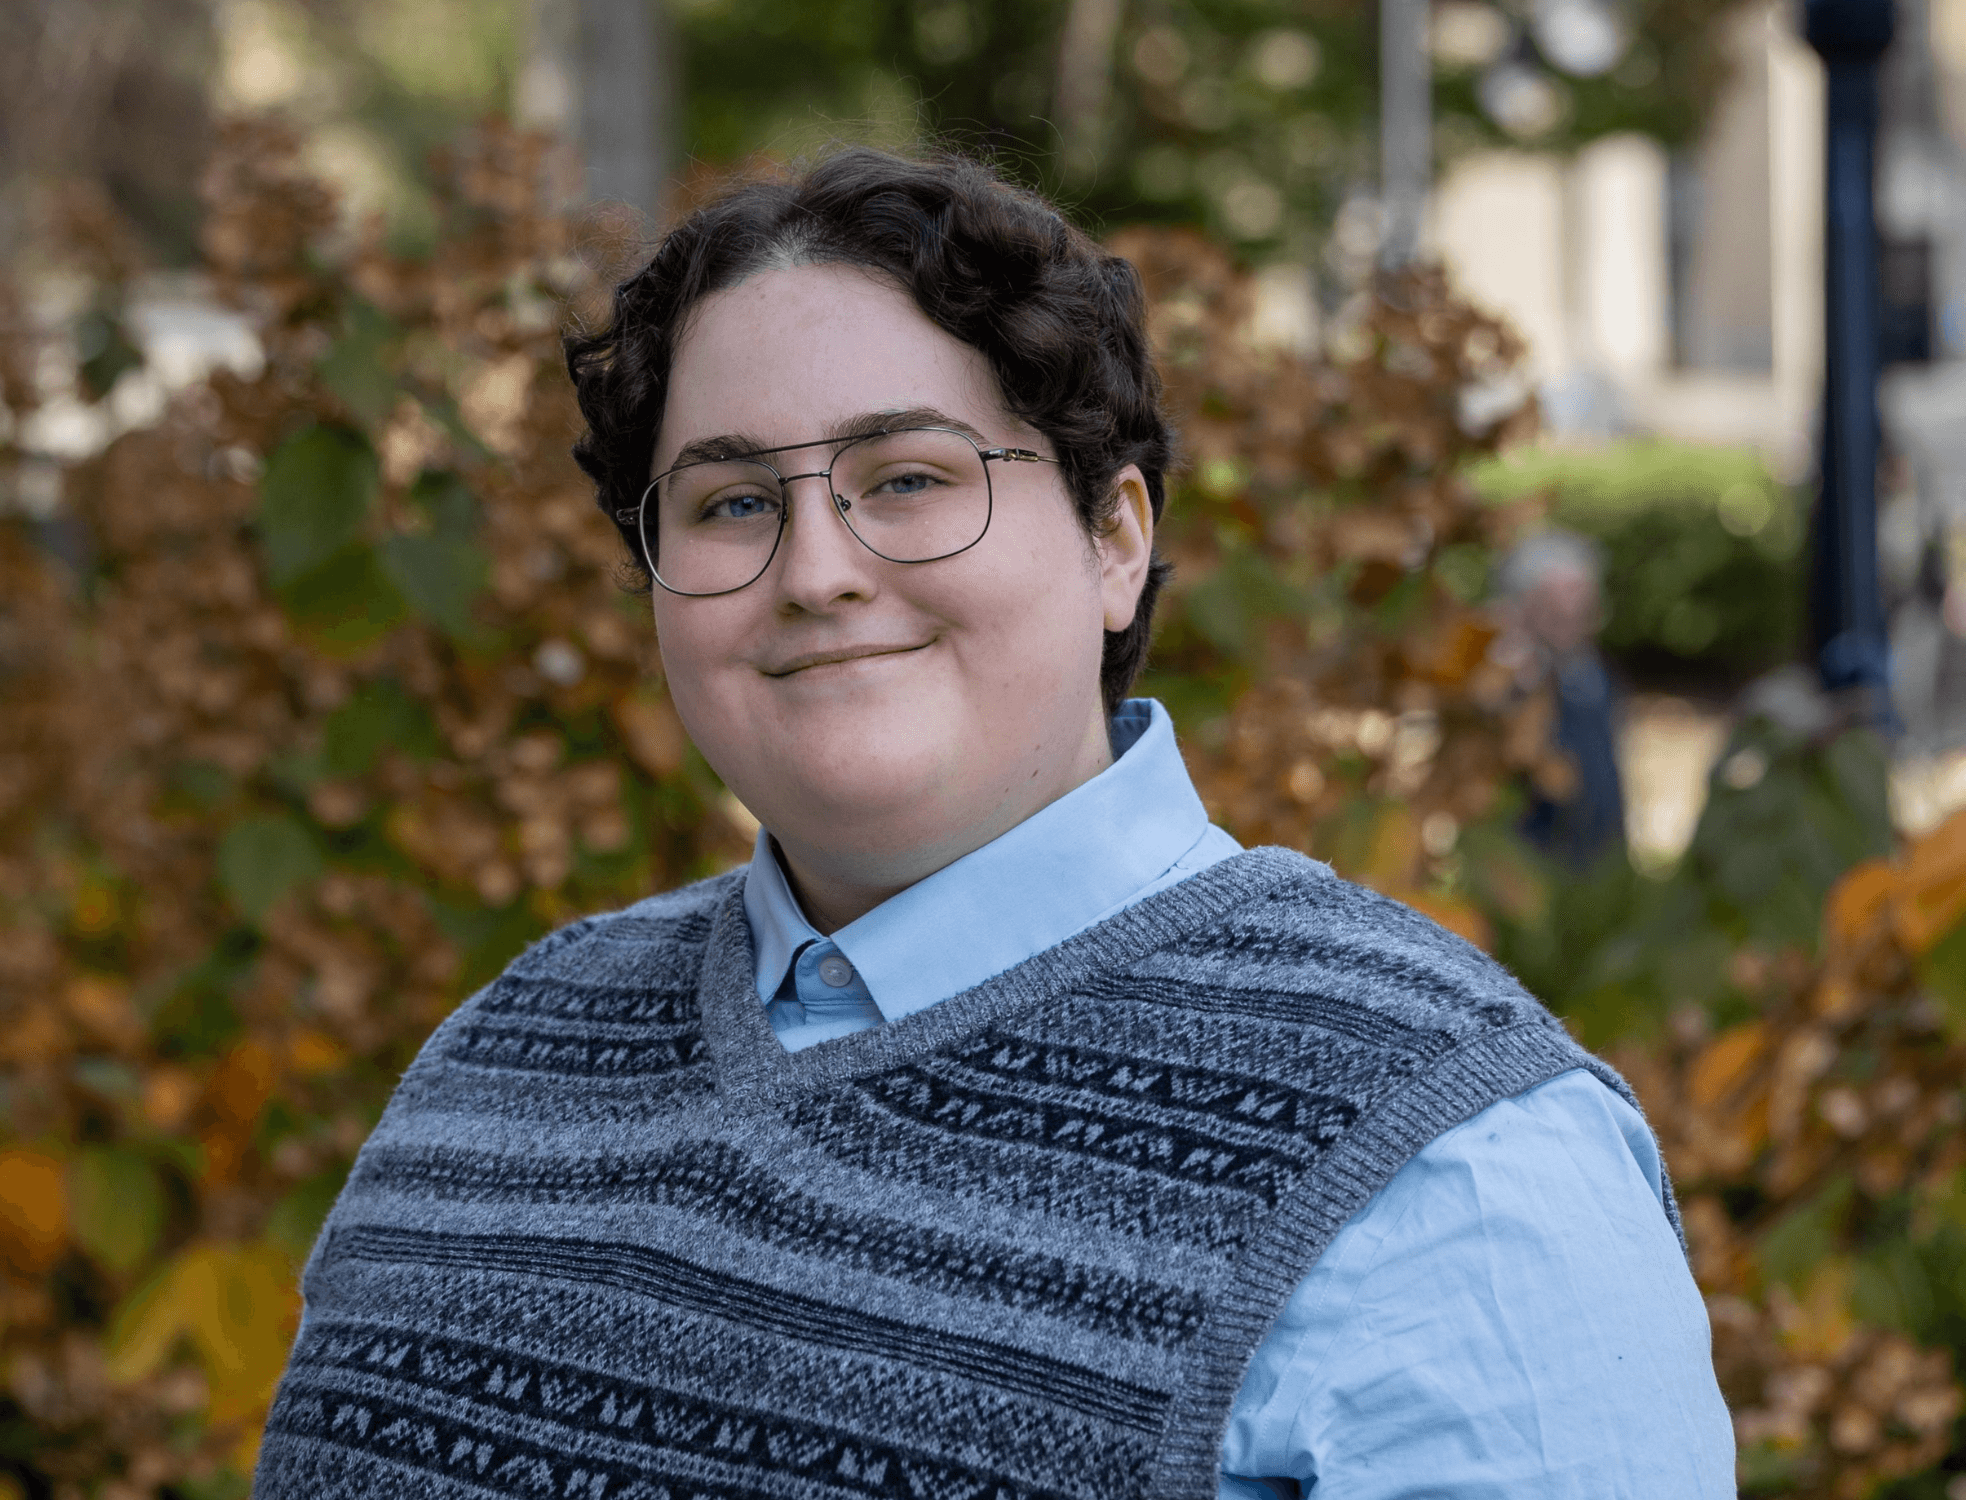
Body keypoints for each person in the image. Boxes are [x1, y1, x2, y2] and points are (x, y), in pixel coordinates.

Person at [253, 149, 1734, 1498]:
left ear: (1114, 539)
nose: (815, 569)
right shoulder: (502, 1063)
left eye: (907, 479)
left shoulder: (1444, 1162)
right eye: (728, 504)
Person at [1502, 529, 1628, 867]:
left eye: (1582, 605)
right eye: (1555, 609)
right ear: (1523, 605)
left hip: (1597, 858)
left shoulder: (1590, 671)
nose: (1572, 617)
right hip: (1533, 863)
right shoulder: (1510, 676)